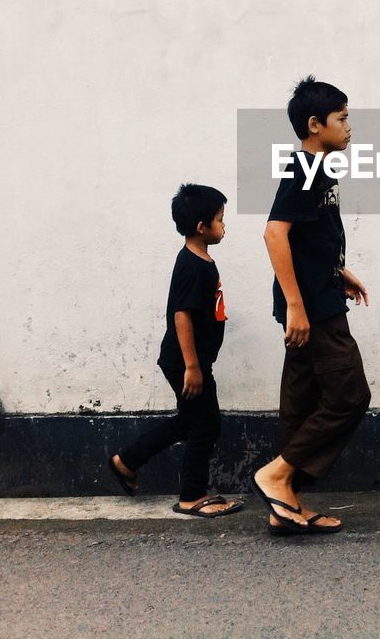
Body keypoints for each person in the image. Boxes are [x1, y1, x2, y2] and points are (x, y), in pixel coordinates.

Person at [252, 76, 373, 536]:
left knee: (300, 401)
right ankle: (277, 476)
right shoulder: (306, 167)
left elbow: (306, 236)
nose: (349, 127)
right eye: (342, 119)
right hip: (314, 309)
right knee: (349, 394)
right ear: (314, 124)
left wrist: (337, 269)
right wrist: (298, 306)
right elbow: (274, 233)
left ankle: (284, 506)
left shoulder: (318, 168)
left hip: (318, 293)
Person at [107, 184, 242, 518]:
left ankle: (128, 459)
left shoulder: (200, 261)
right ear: (202, 227)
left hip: (189, 360)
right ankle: (191, 496)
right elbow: (182, 316)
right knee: (206, 426)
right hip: (187, 362)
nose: (225, 226)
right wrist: (192, 367)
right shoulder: (193, 266)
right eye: (220, 220)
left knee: (190, 422)